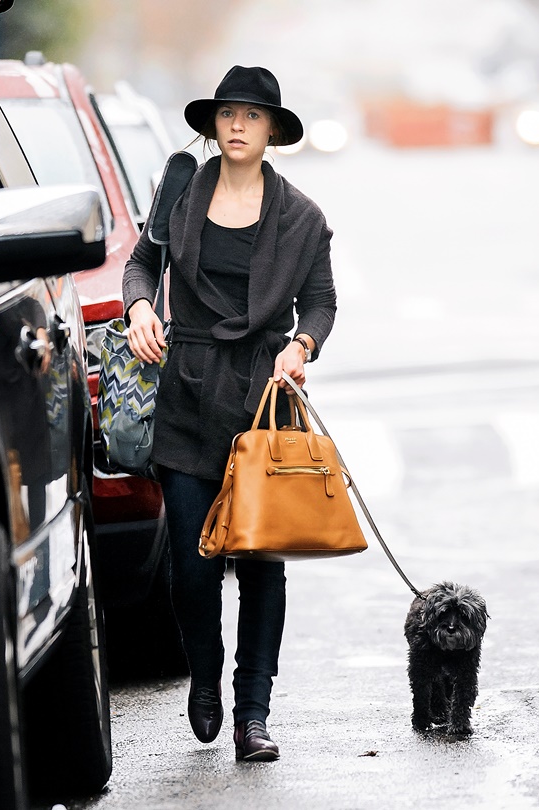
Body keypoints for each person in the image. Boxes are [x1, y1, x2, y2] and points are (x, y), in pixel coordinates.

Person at [123, 65, 337, 762]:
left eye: (252, 115)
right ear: (213, 125)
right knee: (191, 568)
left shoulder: (302, 217)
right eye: (227, 114)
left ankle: (253, 714)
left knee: (262, 565)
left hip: (262, 402)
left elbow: (321, 303)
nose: (238, 125)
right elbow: (141, 263)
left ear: (272, 130)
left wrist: (300, 347)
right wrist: (140, 308)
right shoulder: (182, 188)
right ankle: (205, 675)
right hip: (186, 391)